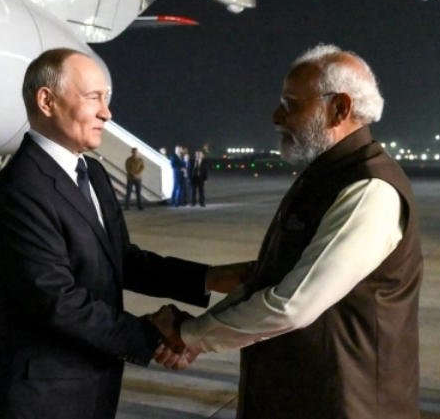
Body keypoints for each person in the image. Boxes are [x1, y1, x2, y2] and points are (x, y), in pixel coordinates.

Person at [0, 48, 250, 419]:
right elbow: (57, 302)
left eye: (107, 99)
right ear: (46, 101)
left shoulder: (92, 174)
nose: (107, 113)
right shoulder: (20, 188)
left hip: (91, 383)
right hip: (40, 396)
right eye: (94, 98)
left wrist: (210, 278)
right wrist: (152, 334)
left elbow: (123, 260)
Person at [161, 44, 424, 418]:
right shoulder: (326, 176)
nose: (276, 116)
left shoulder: (370, 188)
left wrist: (191, 336)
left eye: (291, 104)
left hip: (345, 403)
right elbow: (273, 280)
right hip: (300, 395)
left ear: (339, 108)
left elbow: (292, 304)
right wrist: (198, 331)